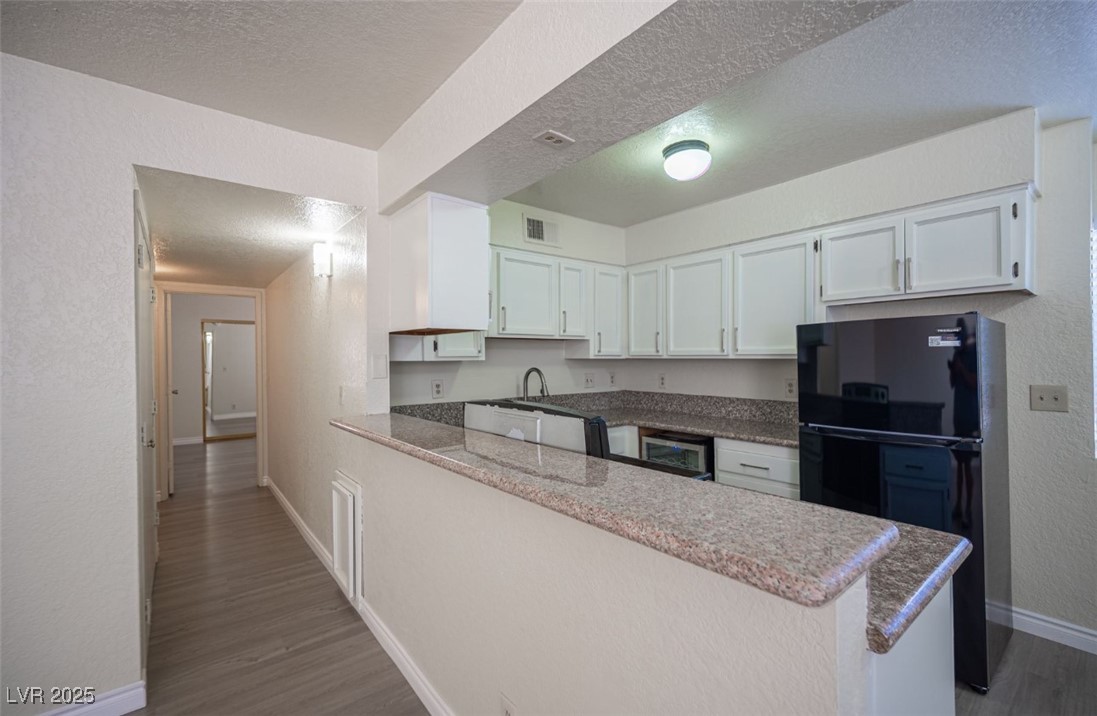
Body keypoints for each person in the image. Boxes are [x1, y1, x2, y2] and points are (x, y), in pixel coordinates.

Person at [948, 318, 979, 529]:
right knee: (959, 464)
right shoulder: (957, 354)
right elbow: (952, 384)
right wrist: (953, 369)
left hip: (970, 416)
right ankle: (958, 505)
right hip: (958, 415)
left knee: (968, 465)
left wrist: (961, 368)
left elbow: (974, 383)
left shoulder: (974, 354)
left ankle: (969, 508)